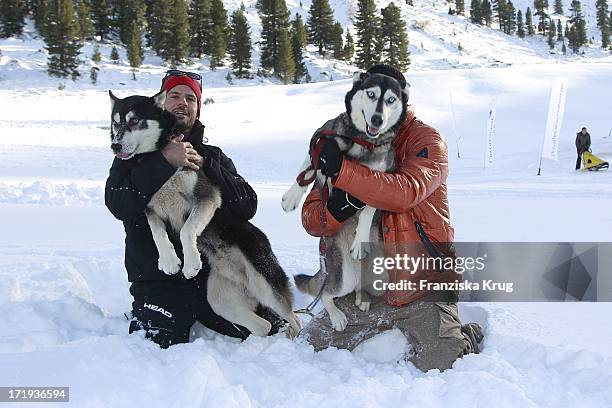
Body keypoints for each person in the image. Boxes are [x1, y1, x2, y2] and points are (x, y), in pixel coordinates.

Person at [298, 65, 483, 372]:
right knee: (312, 342)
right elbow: (311, 219)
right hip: (370, 291)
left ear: (401, 101)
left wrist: (345, 174)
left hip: (423, 288)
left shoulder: (426, 141)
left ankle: (465, 335)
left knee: (441, 362)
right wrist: (338, 207)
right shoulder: (344, 138)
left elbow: (405, 192)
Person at [105, 70, 280, 348]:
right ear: (160, 103)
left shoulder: (213, 156)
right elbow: (119, 204)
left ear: (198, 109)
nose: (182, 103)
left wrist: (208, 166)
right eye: (174, 95)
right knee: (157, 347)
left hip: (212, 278)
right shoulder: (132, 152)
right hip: (159, 281)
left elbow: (247, 206)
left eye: (190, 98)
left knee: (271, 329)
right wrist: (165, 162)